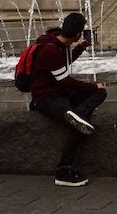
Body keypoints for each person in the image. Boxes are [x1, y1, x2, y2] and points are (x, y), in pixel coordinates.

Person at [29, 12, 107, 187]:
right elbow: (65, 80)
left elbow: (62, 63)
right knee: (79, 124)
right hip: (46, 99)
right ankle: (64, 170)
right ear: (77, 33)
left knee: (101, 93)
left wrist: (81, 47)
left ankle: (78, 114)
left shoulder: (59, 44)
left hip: (60, 93)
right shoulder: (50, 48)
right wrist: (93, 86)